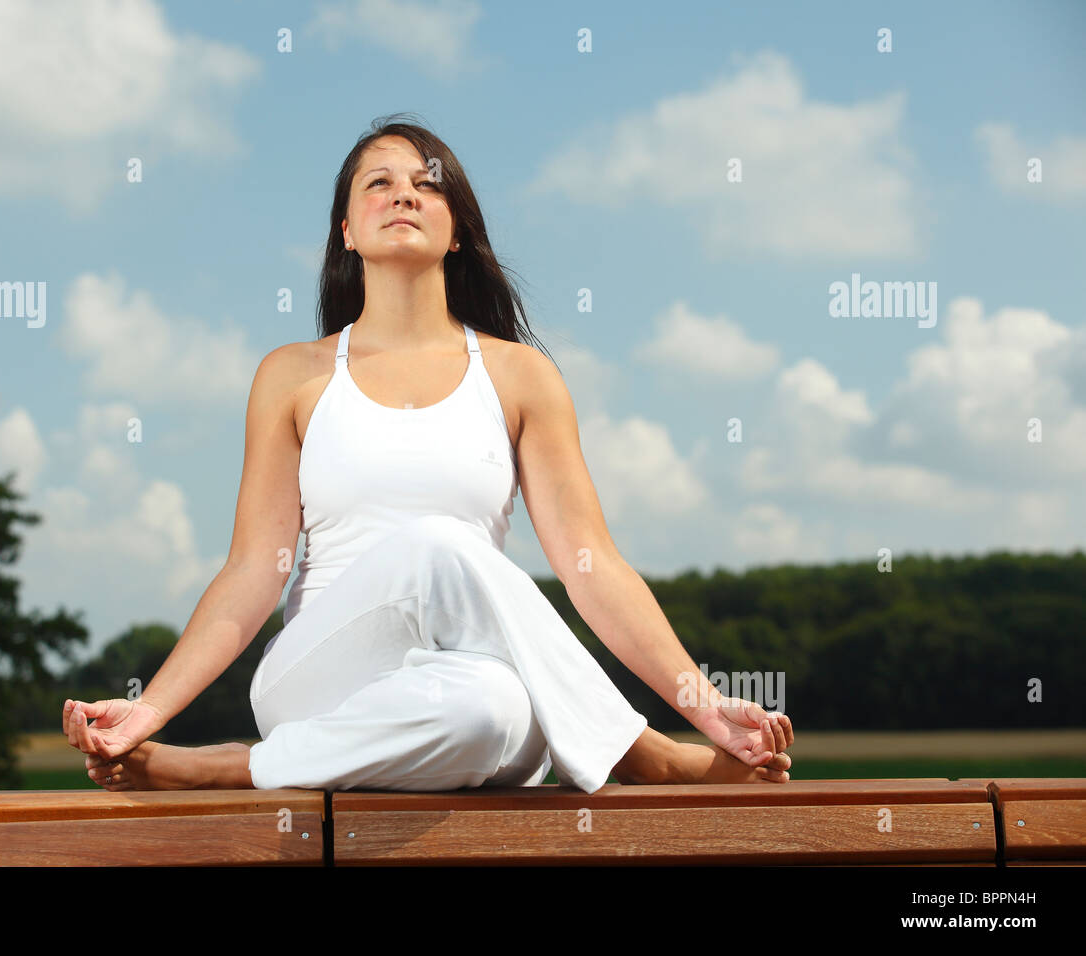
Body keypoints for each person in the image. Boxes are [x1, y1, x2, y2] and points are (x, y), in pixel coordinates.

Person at [62, 114, 794, 794]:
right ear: (347, 231)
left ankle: (234, 768)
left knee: (494, 711)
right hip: (321, 673)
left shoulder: (520, 376)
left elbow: (591, 564)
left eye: (426, 183)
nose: (403, 193)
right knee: (440, 543)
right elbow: (255, 569)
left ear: (456, 233)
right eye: (379, 181)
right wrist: (147, 710)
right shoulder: (294, 375)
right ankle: (643, 753)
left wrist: (699, 695)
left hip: (451, 691)